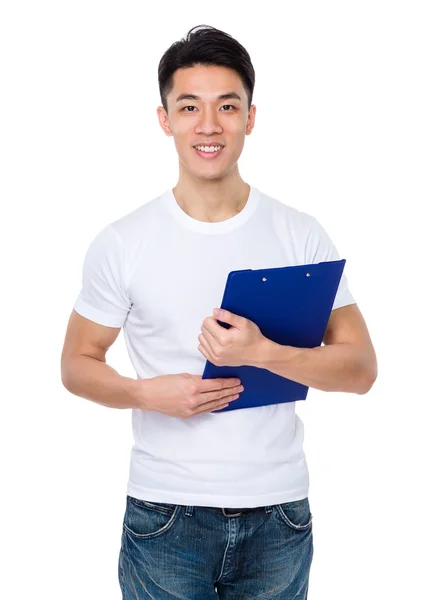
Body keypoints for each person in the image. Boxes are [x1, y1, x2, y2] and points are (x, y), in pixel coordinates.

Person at [61, 24, 377, 600]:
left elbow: (360, 370)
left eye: (227, 106)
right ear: (165, 120)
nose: (209, 126)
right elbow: (77, 363)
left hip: (279, 515)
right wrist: (145, 393)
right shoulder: (123, 241)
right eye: (189, 107)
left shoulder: (300, 234)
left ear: (251, 117)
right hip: (165, 514)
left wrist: (262, 352)